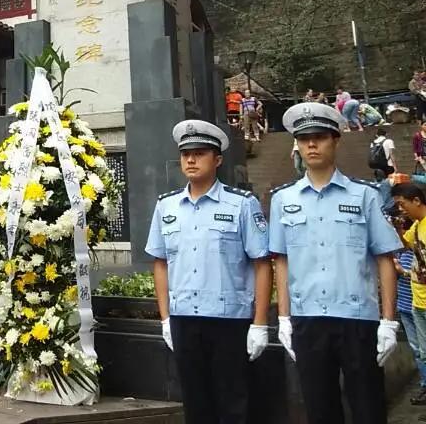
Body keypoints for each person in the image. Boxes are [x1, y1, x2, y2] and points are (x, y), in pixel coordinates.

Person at [269, 102, 402, 424]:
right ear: (297, 145)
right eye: (304, 139)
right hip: (308, 319)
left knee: (369, 407)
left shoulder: (364, 196)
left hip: (358, 319)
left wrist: (388, 321)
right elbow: (282, 261)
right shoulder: (283, 200)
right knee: (319, 408)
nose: (312, 144)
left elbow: (384, 258)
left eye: (320, 137)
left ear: (336, 140)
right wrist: (284, 318)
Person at [146, 120, 270, 423]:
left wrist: (260, 323)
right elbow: (160, 262)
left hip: (229, 321)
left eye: (199, 153)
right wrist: (165, 318)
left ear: (217, 159)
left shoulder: (241, 204)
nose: (190, 159)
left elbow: (261, 263)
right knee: (195, 403)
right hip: (184, 318)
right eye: (185, 153)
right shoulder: (167, 206)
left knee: (233, 404)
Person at [392, 183, 426, 405]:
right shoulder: (417, 226)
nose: (401, 209)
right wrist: (396, 226)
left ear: (416, 200)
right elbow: (404, 241)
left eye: (402, 204)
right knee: (423, 352)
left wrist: (403, 271)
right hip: (419, 302)